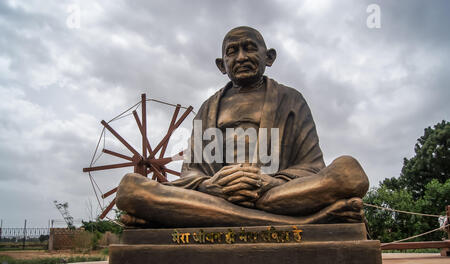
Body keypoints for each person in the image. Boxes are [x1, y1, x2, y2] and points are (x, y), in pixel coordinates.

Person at [117, 26, 369, 228]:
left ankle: (209, 216)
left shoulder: (290, 100)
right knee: (130, 189)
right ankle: (302, 222)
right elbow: (191, 173)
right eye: (232, 51)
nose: (241, 57)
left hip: (277, 193)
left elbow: (312, 167)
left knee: (348, 172)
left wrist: (269, 181)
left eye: (250, 49)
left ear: (268, 57)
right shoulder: (209, 108)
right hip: (217, 196)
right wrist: (211, 185)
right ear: (221, 64)